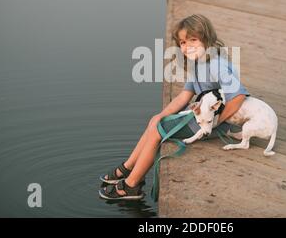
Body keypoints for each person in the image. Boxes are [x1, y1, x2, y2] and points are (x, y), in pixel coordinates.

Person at [99, 14, 250, 200]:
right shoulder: (199, 63)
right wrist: (160, 115)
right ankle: (128, 168)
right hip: (205, 117)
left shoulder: (217, 65)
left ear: (207, 38)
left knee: (157, 131)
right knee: (155, 121)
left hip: (220, 124)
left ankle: (131, 186)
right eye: (183, 43)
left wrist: (215, 122)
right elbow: (183, 97)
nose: (187, 47)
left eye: (193, 40)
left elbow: (238, 97)